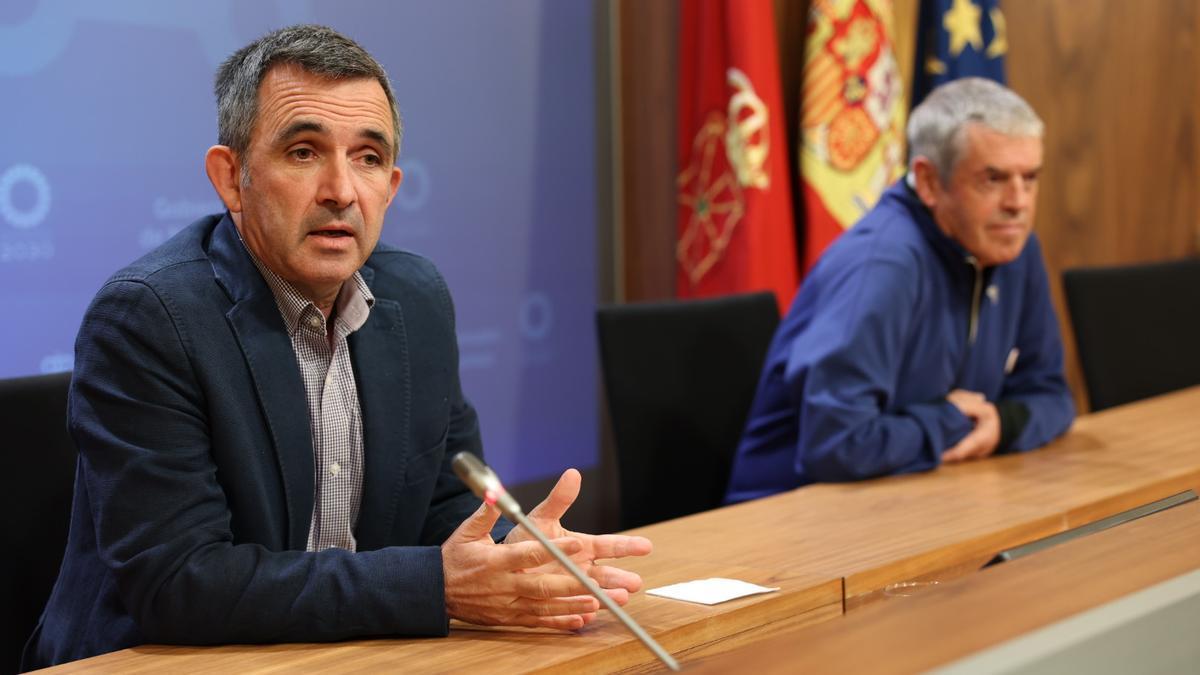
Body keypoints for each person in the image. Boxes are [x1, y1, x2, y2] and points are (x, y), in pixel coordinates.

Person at [25, 25, 651, 668]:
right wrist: (439, 586)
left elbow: (446, 507)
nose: (342, 190)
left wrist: (510, 555)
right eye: (303, 152)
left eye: (368, 158)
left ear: (393, 186)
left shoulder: (416, 300)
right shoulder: (148, 319)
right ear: (231, 178)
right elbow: (182, 582)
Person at [725, 78, 1075, 503]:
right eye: (993, 179)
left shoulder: (1012, 244)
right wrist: (952, 421)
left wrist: (1004, 422)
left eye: (1030, 177)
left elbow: (1052, 394)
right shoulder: (883, 264)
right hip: (786, 519)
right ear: (928, 181)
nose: (1018, 203)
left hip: (919, 494)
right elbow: (836, 446)